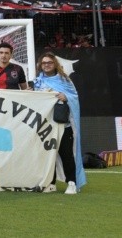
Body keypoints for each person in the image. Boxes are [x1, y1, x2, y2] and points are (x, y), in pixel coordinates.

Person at [33, 52, 86, 195]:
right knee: (47, 155)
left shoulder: (64, 81)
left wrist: (66, 97)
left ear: (55, 64)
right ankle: (51, 183)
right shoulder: (37, 81)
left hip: (63, 125)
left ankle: (72, 183)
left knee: (66, 154)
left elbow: (74, 97)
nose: (47, 65)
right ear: (40, 65)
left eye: (49, 62)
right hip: (45, 125)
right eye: (44, 63)